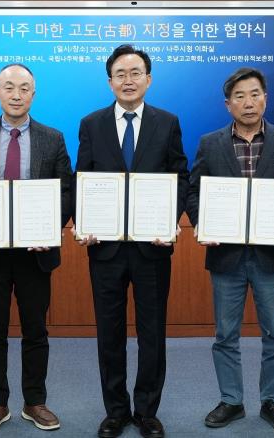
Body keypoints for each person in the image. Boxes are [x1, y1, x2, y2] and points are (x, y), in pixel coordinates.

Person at [186, 67, 274, 433]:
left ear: (265, 99)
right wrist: (202, 222)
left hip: (271, 255)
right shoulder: (210, 143)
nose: (248, 102)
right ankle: (231, 400)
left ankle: (272, 401)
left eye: (255, 94)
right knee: (225, 334)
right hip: (226, 255)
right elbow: (194, 190)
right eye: (239, 96)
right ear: (228, 105)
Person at [74, 44, 189, 438]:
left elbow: (180, 176)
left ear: (148, 79)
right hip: (105, 248)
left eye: (135, 72)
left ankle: (147, 412)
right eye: (120, 74)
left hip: (151, 247)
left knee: (152, 332)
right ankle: (116, 411)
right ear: (110, 82)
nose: (128, 80)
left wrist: (169, 219)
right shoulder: (91, 124)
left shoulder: (167, 122)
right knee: (110, 333)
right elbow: (83, 178)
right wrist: (84, 221)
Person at [0, 64, 72, 434]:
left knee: (36, 330)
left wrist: (51, 227)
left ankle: (35, 401)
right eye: (9, 87)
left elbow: (66, 190)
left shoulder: (53, 138)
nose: (16, 94)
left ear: (33, 94)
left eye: (23, 88)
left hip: (36, 252)